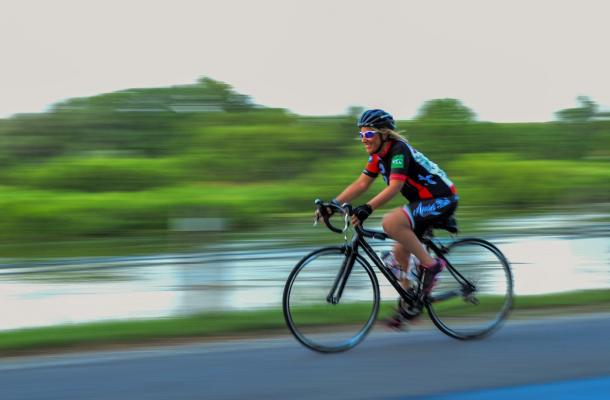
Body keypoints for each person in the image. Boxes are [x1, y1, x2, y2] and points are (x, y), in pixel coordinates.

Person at [327, 109, 459, 328]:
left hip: (443, 198)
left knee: (391, 222)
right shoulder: (377, 157)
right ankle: (410, 305)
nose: (364, 140)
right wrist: (332, 205)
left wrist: (367, 209)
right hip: (422, 203)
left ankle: (432, 265)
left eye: (369, 134)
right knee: (399, 253)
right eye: (361, 135)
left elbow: (395, 186)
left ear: (384, 134)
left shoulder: (398, 151)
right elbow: (361, 184)